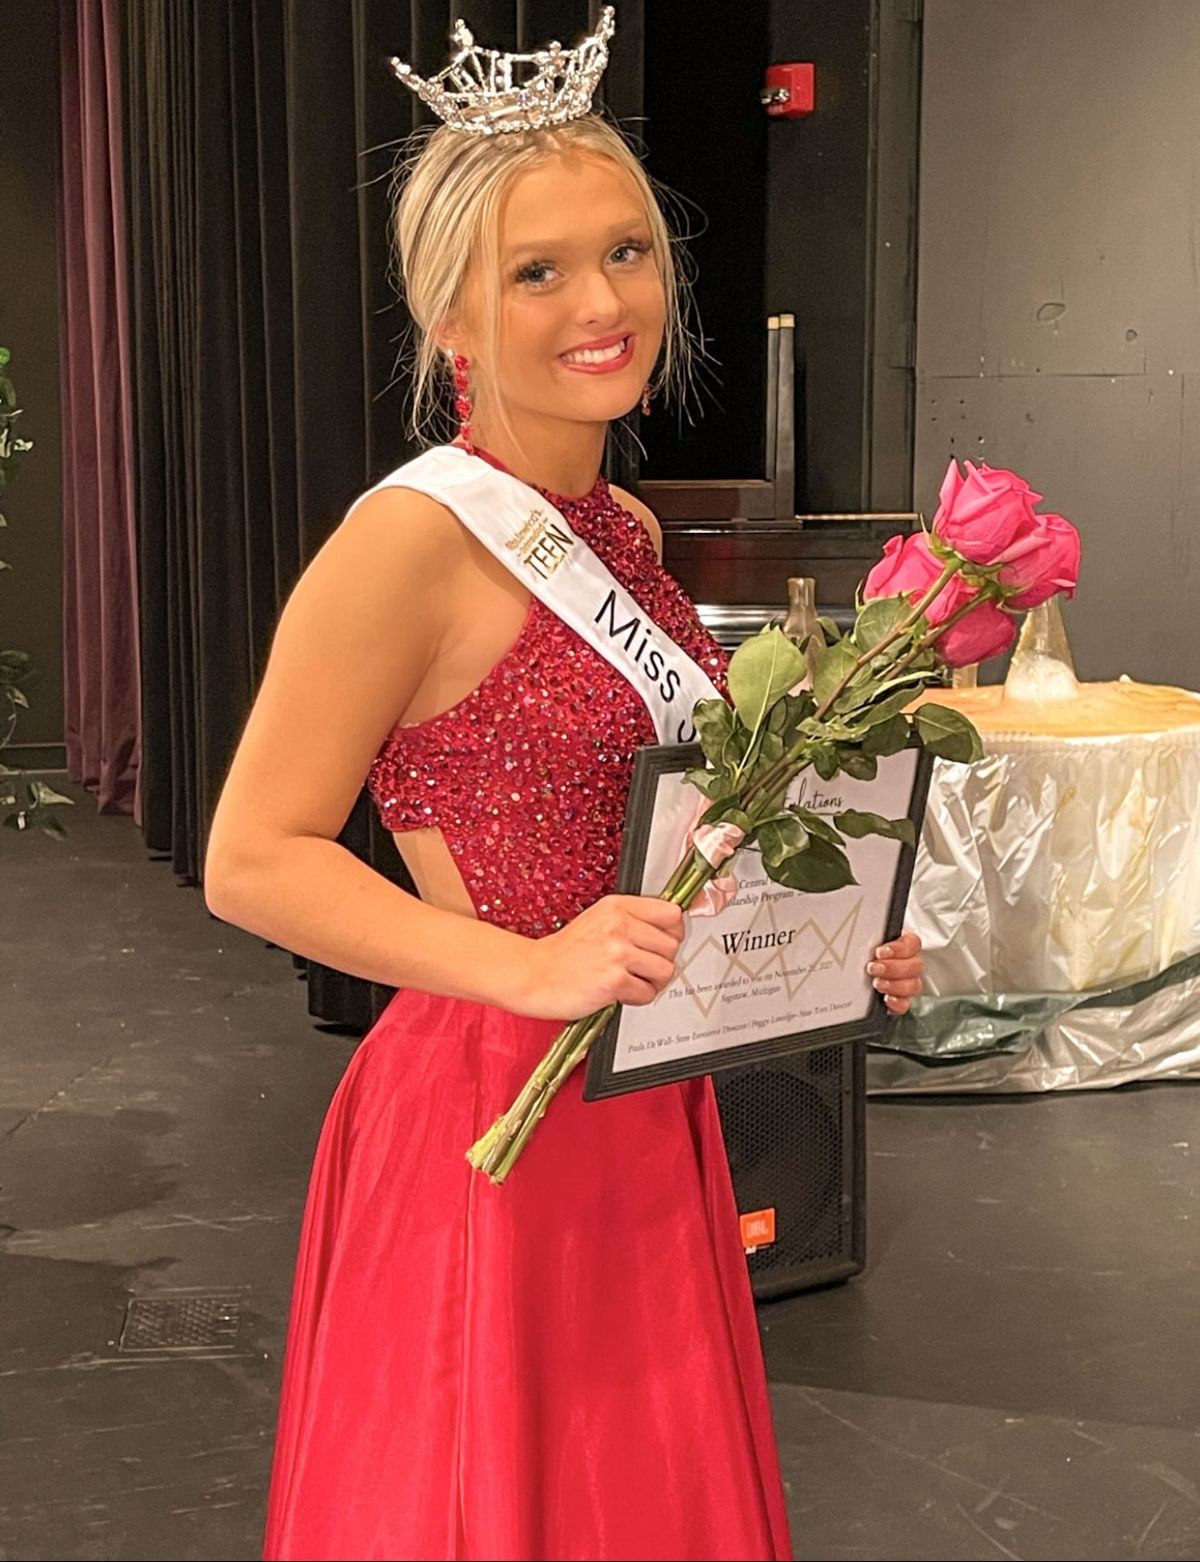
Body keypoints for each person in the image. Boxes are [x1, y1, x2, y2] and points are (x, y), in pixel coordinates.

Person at [204, 13, 923, 1561]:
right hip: (489, 1116)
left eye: (627, 252)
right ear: (449, 310)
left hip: (640, 1107)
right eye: (538, 271)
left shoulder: (628, 534)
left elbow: (677, 842)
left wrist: (829, 951)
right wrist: (529, 965)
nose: (602, 303)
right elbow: (252, 857)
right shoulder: (407, 544)